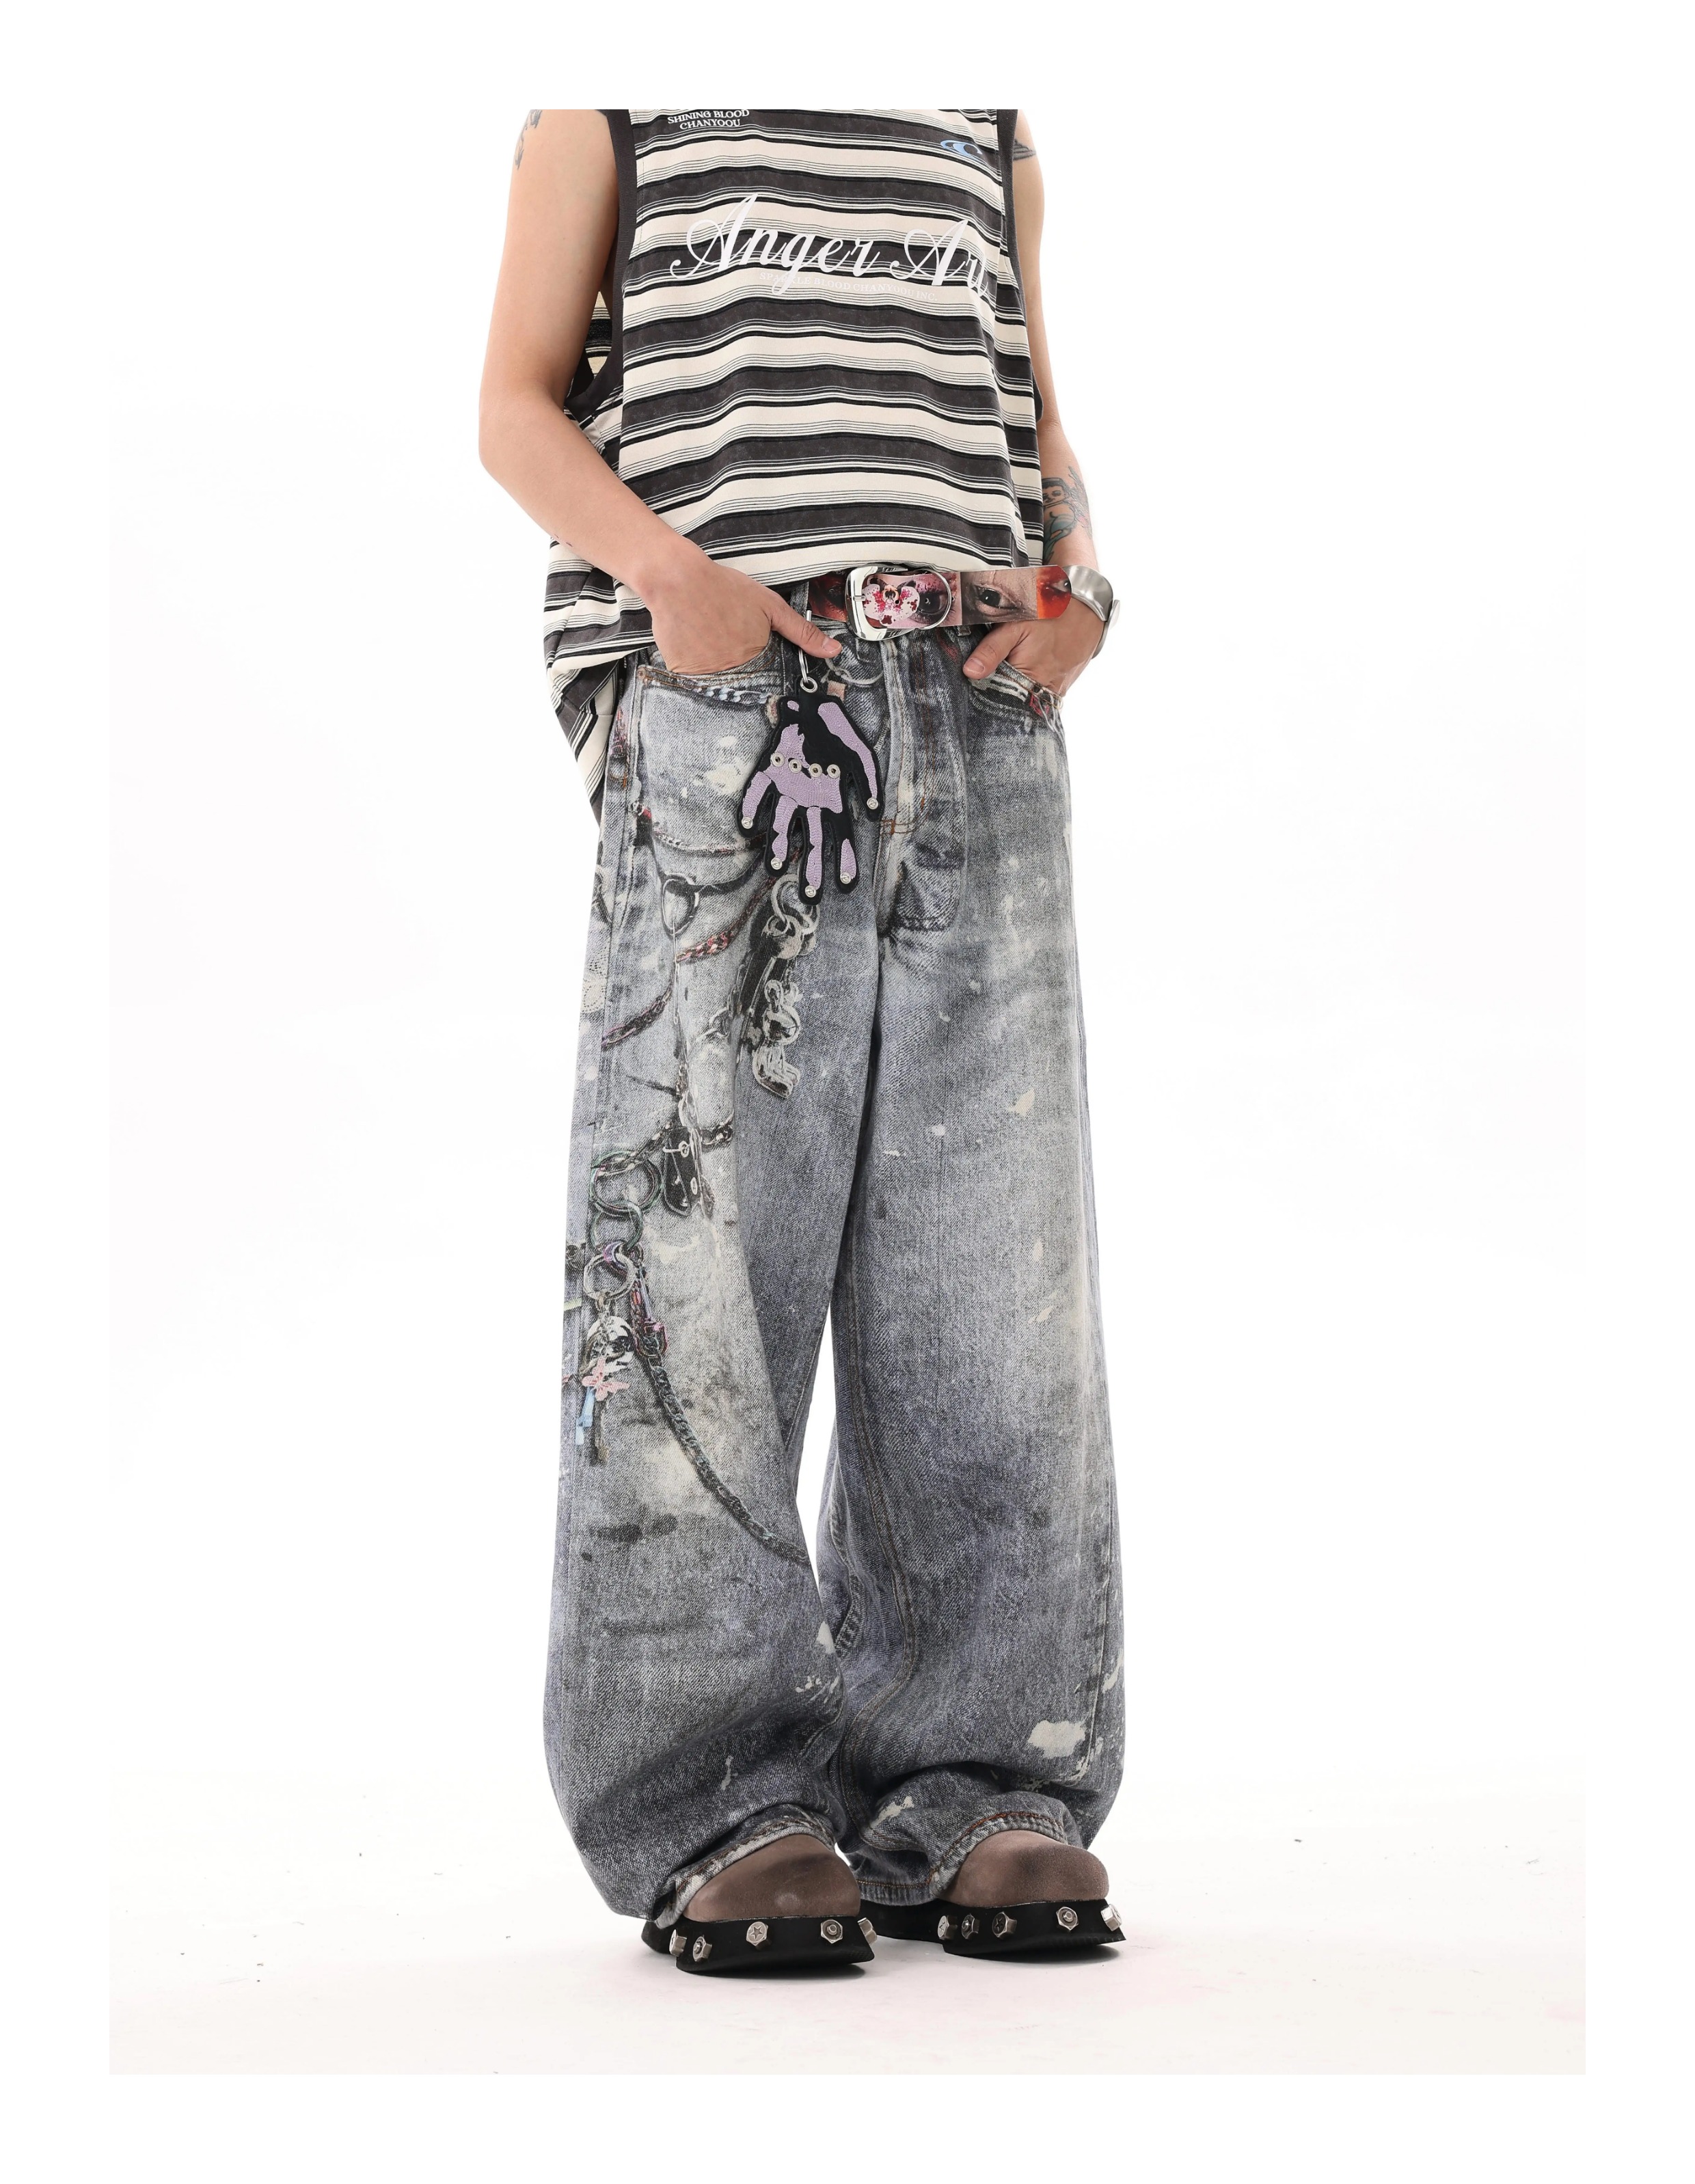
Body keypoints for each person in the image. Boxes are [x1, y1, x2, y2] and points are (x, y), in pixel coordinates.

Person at [480, 107, 1126, 1974]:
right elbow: (512, 406)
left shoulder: (980, 113)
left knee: (994, 1274)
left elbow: (1028, 404)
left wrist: (1083, 578)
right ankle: (711, 1797)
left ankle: (980, 1774)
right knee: (699, 1273)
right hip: (733, 705)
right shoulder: (622, 97)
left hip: (982, 704)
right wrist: (672, 588)